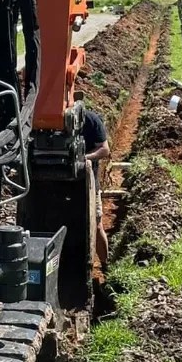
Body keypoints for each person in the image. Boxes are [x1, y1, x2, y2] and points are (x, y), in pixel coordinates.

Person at [82, 109, 111, 268]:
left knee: (97, 224)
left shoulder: (91, 120)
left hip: (90, 183)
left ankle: (105, 265)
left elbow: (105, 149)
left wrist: (84, 157)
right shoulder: (49, 124)